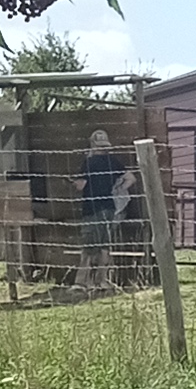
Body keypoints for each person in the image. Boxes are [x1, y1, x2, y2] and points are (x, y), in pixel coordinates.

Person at [76, 123, 129, 296]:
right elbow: (131, 178)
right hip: (109, 207)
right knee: (105, 245)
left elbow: (81, 185)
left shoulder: (88, 163)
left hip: (91, 208)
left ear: (92, 144)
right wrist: (118, 189)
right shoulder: (112, 162)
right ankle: (103, 280)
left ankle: (83, 282)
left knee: (89, 245)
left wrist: (73, 182)